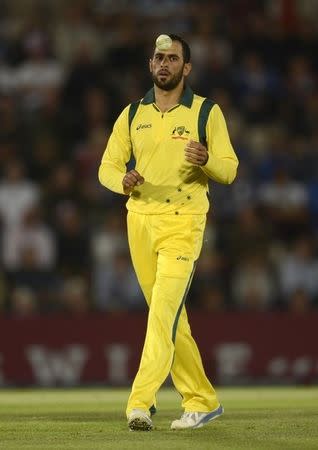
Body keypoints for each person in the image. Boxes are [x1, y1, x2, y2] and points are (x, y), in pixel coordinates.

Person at [98, 34, 239, 431]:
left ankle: (139, 403)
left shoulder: (205, 112)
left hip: (183, 220)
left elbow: (230, 169)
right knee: (171, 319)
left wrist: (208, 160)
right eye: (159, 57)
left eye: (173, 58)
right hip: (139, 220)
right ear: (150, 64)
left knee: (162, 314)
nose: (164, 64)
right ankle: (202, 400)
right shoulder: (131, 114)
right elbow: (106, 166)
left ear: (186, 68)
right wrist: (121, 180)